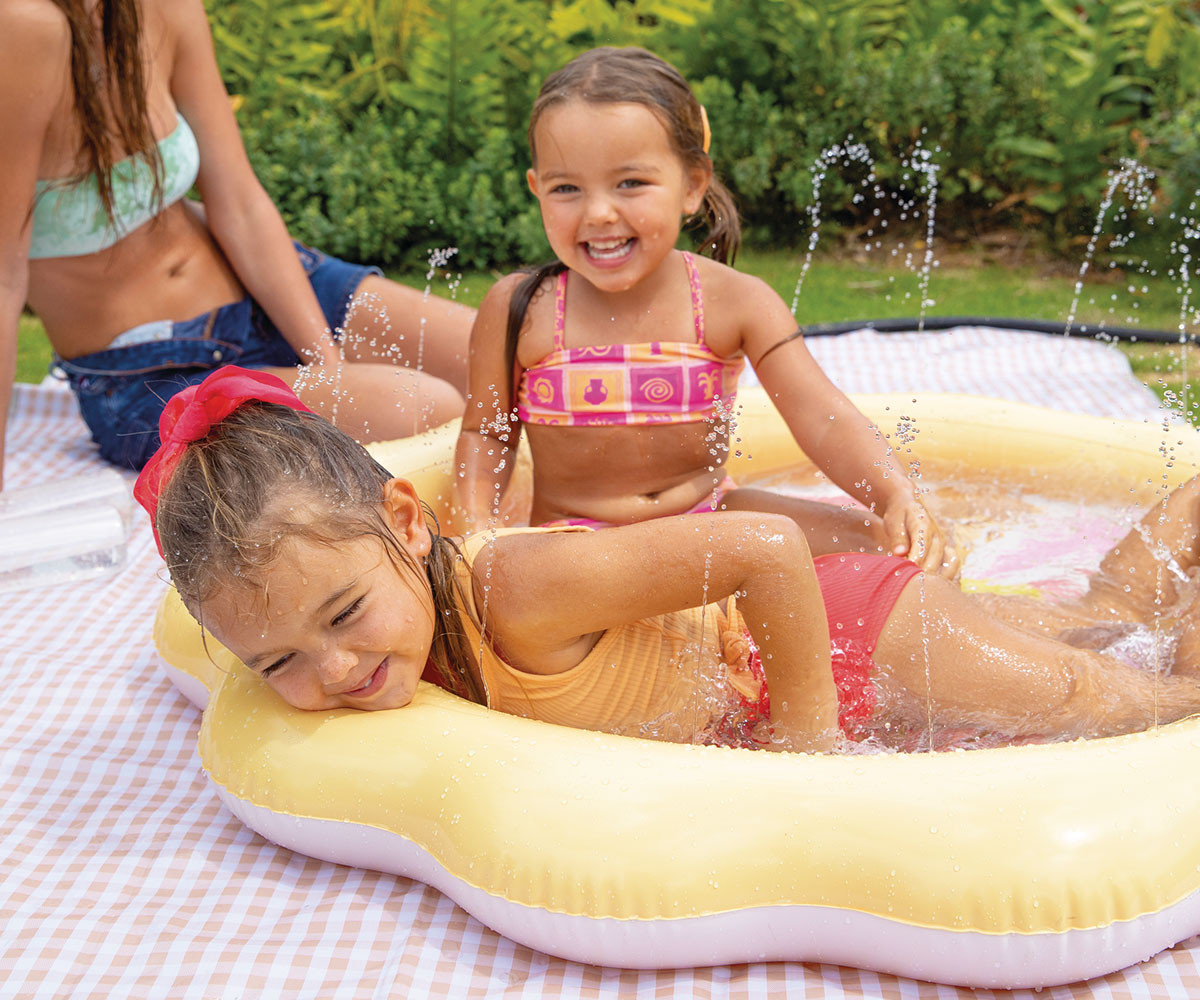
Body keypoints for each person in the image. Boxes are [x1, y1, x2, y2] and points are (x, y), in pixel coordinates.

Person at [138, 367, 1200, 753]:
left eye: (341, 615)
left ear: (410, 525)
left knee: (1138, 702)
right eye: (276, 662)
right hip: (802, 653)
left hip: (851, 629)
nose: (330, 669)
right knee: (1102, 625)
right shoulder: (374, 625)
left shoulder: (515, 590)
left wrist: (806, 747)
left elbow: (765, 548)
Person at [454, 46, 954, 576]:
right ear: (537, 189)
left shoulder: (734, 300)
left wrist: (895, 496)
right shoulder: (522, 308)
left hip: (710, 522)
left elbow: (822, 418)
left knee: (894, 547)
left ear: (692, 184)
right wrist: (479, 530)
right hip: (576, 544)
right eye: (566, 189)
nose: (598, 212)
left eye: (630, 183)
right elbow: (488, 433)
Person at [0, 0, 473, 488]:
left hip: (268, 289)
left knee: (502, 357)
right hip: (156, 373)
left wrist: (327, 366)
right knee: (429, 409)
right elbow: (4, 279)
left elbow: (240, 202)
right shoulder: (21, 25)